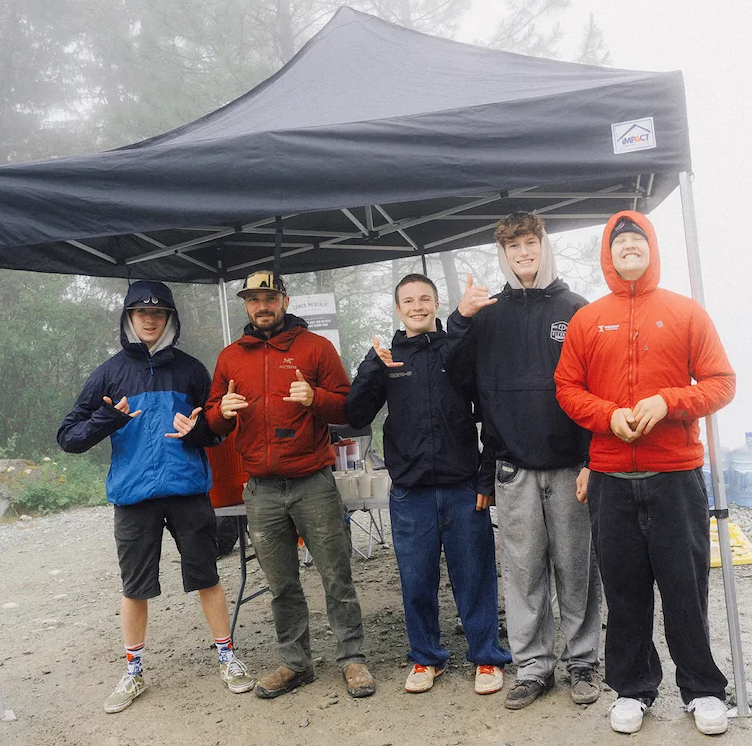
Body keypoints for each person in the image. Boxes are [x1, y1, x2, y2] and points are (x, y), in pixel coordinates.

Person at [553, 211, 736, 736]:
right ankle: (633, 690)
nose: (628, 247)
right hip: (612, 479)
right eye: (619, 243)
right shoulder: (589, 320)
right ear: (607, 256)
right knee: (626, 591)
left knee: (685, 588)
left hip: (675, 477)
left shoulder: (685, 313)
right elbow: (567, 388)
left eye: (637, 240)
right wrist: (607, 415)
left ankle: (702, 689)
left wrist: (670, 401)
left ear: (652, 249)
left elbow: (721, 383)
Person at [57, 280, 254, 714]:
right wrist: (107, 419)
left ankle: (226, 656)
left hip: (187, 491)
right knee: (135, 587)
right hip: (133, 497)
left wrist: (200, 431)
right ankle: (133, 671)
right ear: (128, 318)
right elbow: (68, 438)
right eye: (141, 312)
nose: (150, 319)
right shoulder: (109, 373)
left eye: (159, 313)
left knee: (206, 577)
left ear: (170, 319)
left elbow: (218, 429)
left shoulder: (191, 370)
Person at [446, 212, 603, 710]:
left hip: (569, 467)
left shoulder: (577, 309)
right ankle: (533, 667)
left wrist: (591, 460)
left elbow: (595, 391)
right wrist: (461, 320)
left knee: (576, 569)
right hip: (512, 468)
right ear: (503, 255)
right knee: (522, 572)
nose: (523, 253)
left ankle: (582, 663)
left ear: (543, 245)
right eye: (513, 247)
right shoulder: (487, 315)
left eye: (530, 243)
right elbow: (458, 379)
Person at [204, 270, 375, 699]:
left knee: (336, 576)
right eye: (252, 299)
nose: (261, 306)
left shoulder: (316, 347)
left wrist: (316, 399)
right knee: (281, 584)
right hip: (260, 489)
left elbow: (351, 410)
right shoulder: (230, 357)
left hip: (312, 482)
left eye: (268, 297)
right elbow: (211, 421)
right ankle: (296, 664)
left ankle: (352, 659)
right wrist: (221, 411)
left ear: (284, 299)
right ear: (245, 305)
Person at [346, 274, 511, 695]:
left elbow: (489, 411)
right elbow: (355, 414)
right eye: (408, 301)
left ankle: (486, 657)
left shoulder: (456, 348)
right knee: (416, 579)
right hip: (410, 492)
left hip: (462, 487)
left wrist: (485, 475)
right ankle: (426, 658)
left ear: (436, 304)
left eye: (425, 299)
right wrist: (370, 365)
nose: (417, 306)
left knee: (474, 576)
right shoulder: (387, 357)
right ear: (398, 310)